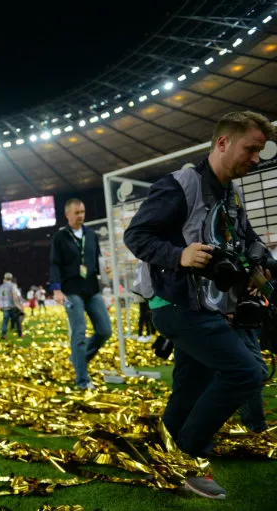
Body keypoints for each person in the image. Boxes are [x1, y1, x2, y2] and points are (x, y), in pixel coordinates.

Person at [124, 111, 274, 499]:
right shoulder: (178, 185)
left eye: (260, 150)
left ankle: (163, 450)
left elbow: (249, 241)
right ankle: (189, 457)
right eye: (251, 149)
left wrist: (260, 263)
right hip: (176, 305)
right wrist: (179, 255)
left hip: (206, 307)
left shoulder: (230, 193)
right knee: (246, 373)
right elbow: (136, 235)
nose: (257, 157)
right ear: (222, 143)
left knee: (192, 385)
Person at [50, 198, 112, 390]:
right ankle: (82, 381)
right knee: (79, 332)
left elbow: (98, 259)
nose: (81, 216)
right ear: (67, 214)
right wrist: (57, 289)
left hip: (92, 289)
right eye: (77, 213)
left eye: (83, 212)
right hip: (71, 290)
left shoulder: (91, 235)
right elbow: (54, 264)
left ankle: (78, 359)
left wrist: (106, 279)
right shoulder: (60, 238)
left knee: (104, 331)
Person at [0, 272, 23, 339]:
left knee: (5, 321)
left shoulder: (1, 286)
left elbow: (0, 296)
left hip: (5, 306)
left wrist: (0, 305)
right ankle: (20, 334)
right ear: (11, 278)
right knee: (17, 321)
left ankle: (3, 334)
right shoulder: (12, 285)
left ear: (5, 278)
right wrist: (18, 305)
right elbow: (14, 295)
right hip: (12, 306)